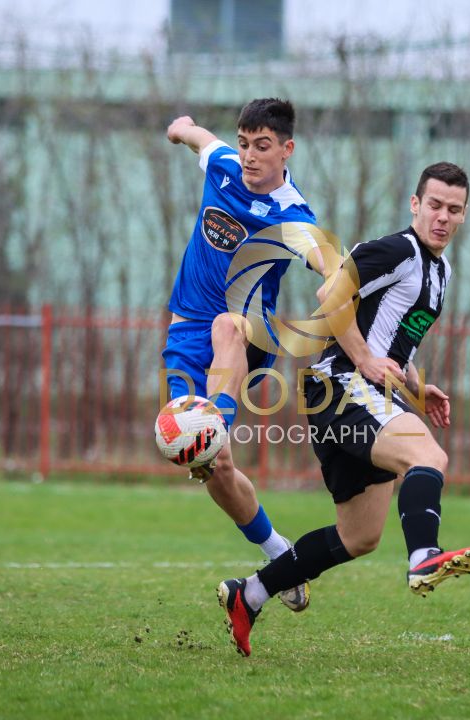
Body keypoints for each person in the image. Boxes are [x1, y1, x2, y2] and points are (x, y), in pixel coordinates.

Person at [216, 162, 470, 656]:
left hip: (356, 392)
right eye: (434, 206)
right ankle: (425, 554)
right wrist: (362, 359)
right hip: (341, 385)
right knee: (428, 457)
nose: (442, 217)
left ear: (464, 215)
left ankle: (249, 594)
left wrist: (418, 388)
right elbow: (330, 291)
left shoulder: (440, 272)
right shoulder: (398, 249)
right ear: (415, 204)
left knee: (359, 535)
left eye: (454, 209)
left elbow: (392, 345)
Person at [162, 98, 319, 613]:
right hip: (187, 334)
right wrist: (181, 128)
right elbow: (202, 139)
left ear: (286, 149)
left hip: (247, 332)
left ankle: (211, 423)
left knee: (227, 323)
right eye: (246, 143)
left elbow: (321, 253)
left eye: (263, 146)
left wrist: (338, 274)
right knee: (216, 468)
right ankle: (280, 554)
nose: (250, 156)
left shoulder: (291, 211)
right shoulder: (226, 166)